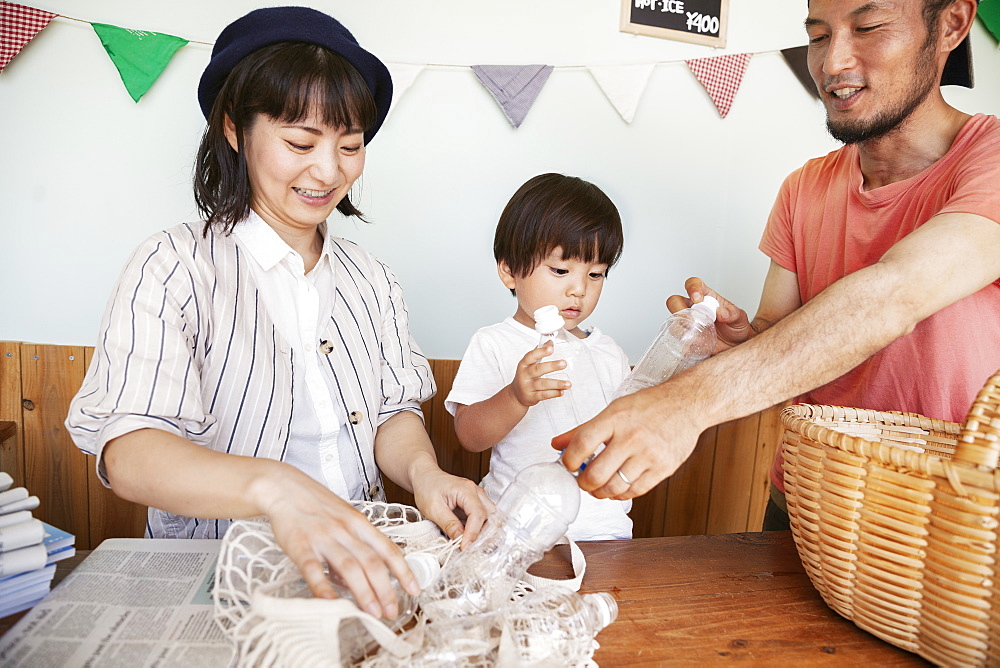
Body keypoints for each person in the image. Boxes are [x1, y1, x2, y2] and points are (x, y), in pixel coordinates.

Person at [64, 6, 492, 620]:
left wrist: (424, 472)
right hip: (217, 583)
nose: (328, 171)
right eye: (300, 143)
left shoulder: (372, 279)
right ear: (234, 130)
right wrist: (276, 489)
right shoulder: (173, 267)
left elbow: (390, 413)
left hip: (357, 575)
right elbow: (128, 452)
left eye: (350, 147)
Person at [557, 0, 1000, 526]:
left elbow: (895, 294)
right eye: (817, 36)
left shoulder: (987, 158)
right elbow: (789, 350)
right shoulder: (803, 188)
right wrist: (747, 342)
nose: (833, 63)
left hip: (941, 524)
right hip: (802, 505)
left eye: (869, 27)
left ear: (951, 24)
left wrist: (687, 404)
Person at [445, 173, 633, 540]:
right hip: (514, 533)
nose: (578, 289)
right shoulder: (495, 342)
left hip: (605, 536)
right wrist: (515, 396)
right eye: (561, 270)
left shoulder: (608, 353)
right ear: (510, 271)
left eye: (596, 274)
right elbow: (469, 435)